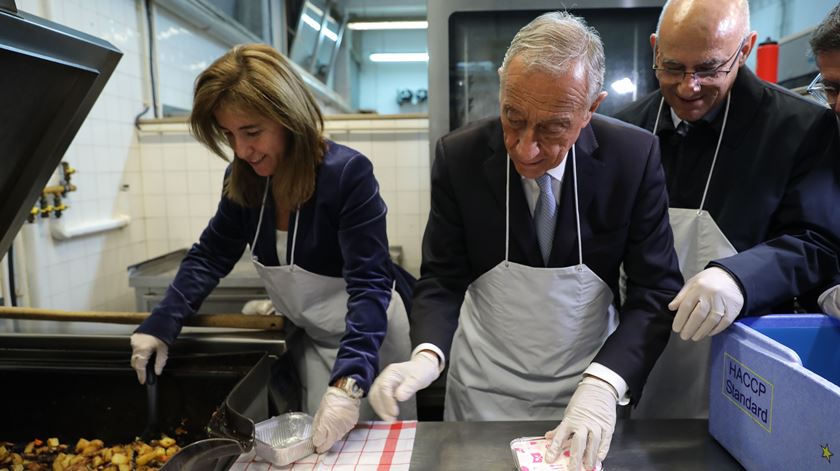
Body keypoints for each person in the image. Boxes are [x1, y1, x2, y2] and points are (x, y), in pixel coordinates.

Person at [369, 11, 683, 471]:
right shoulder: (460, 157)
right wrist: (427, 354)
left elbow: (655, 291)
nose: (525, 147)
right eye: (513, 117)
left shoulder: (632, 159)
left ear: (590, 109)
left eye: (553, 127)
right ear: (501, 85)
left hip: (585, 392)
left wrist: (604, 383)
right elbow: (442, 277)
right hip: (483, 396)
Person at [128, 43, 416, 453]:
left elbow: (369, 284)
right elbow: (211, 254)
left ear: (290, 118)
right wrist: (161, 323)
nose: (243, 150)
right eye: (229, 135)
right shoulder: (244, 178)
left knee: (376, 455)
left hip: (372, 343)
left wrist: (350, 384)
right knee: (321, 454)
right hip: (316, 341)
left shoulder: (347, 175)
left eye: (252, 131)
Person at [613, 0, 840, 419]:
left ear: (746, 48)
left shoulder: (803, 128)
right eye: (673, 67)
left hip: (746, 365)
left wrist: (738, 276)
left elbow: (818, 241)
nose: (688, 87)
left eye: (709, 69)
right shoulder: (625, 129)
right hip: (638, 357)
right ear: (654, 49)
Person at [810, 3, 840, 318]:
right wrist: (829, 289)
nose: (838, 106)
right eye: (831, 89)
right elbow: (816, 240)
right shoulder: (825, 143)